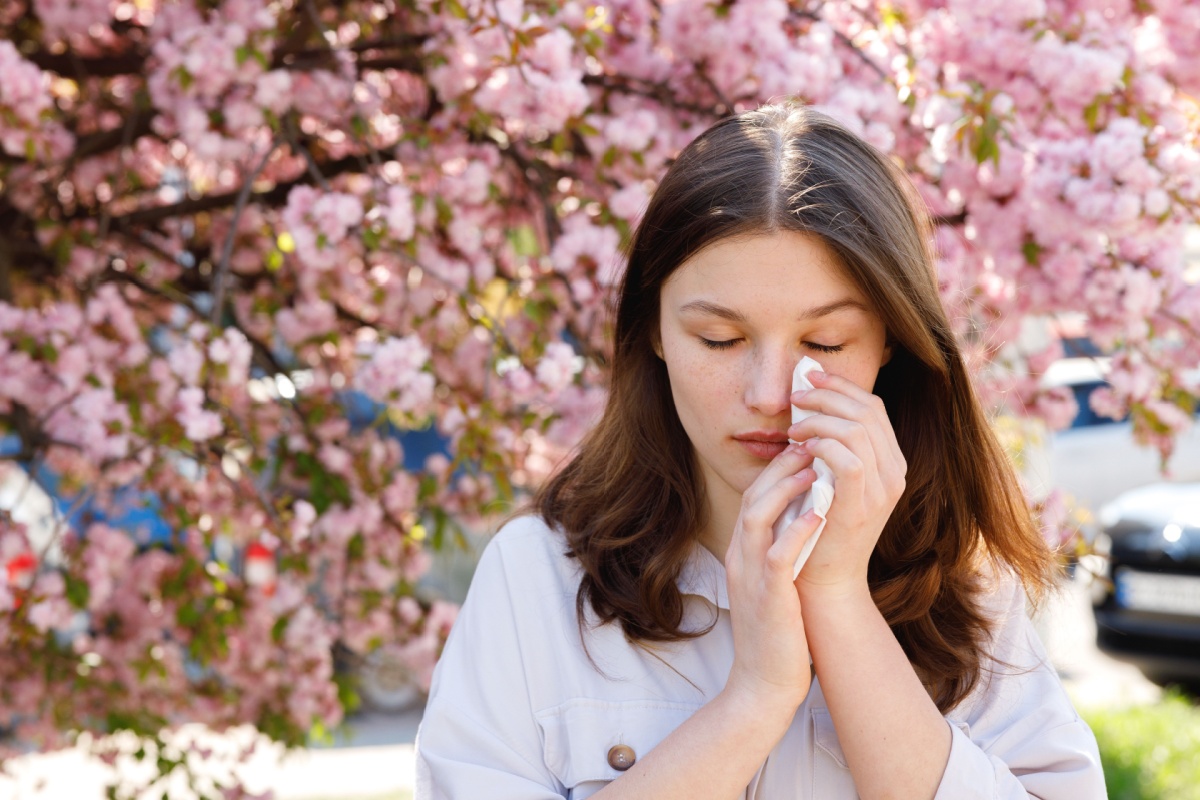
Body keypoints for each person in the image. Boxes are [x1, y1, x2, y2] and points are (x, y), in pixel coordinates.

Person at [414, 103, 1106, 799]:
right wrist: (755, 700)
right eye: (720, 339)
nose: (772, 393)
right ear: (655, 330)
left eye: (825, 344)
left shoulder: (964, 582)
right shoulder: (539, 579)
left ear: (891, 340)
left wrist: (838, 601)